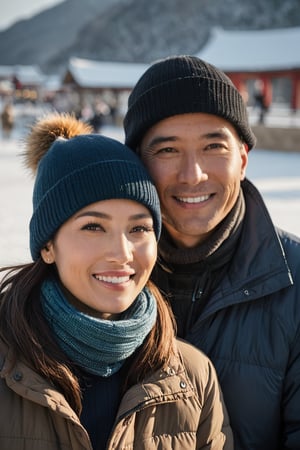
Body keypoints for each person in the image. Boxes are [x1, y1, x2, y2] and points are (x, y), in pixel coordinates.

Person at [0, 113, 233, 450]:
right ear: (48, 246)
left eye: (139, 228)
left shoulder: (193, 377)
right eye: (93, 227)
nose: (122, 253)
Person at [123, 55, 300, 449]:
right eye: (167, 150)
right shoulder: (103, 274)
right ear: (136, 162)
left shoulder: (296, 279)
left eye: (213, 146)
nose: (193, 175)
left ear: (242, 158)